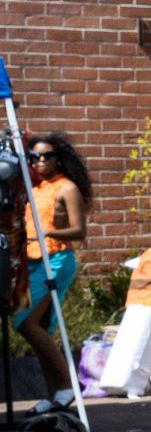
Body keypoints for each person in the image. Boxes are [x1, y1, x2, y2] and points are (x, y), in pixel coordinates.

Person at [12, 130, 90, 413]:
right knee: (41, 328)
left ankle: (69, 386)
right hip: (33, 261)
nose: (41, 161)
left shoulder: (66, 187)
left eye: (47, 156)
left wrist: (49, 232)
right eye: (35, 157)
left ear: (59, 159)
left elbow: (79, 230)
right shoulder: (34, 189)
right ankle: (54, 394)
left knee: (25, 323)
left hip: (56, 259)